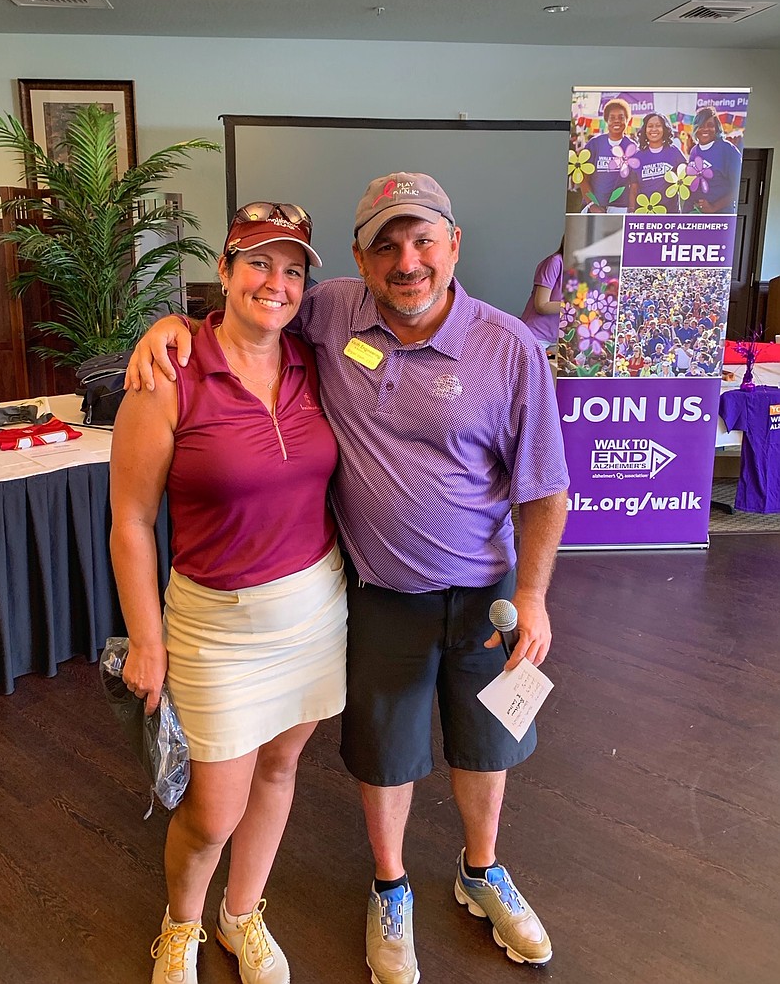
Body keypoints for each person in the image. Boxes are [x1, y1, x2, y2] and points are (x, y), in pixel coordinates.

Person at [129, 172, 569, 979]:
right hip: (376, 595)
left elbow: (545, 489)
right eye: (387, 245)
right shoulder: (330, 314)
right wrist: (167, 324)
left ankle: (482, 871)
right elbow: (243, 309)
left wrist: (534, 594)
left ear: (454, 244)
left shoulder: (508, 348)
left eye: (424, 239)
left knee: (486, 745)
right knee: (385, 751)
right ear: (362, 261)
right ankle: (389, 884)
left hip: (485, 598)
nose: (409, 261)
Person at [111, 202, 347, 984]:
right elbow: (131, 518)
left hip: (315, 609)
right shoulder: (170, 369)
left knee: (280, 768)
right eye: (258, 262)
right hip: (215, 625)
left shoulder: (317, 359)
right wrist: (147, 637)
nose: (275, 282)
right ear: (224, 268)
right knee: (213, 808)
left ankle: (241, 912)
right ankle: (181, 922)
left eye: (292, 269)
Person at [577, 97, 637, 213]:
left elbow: (634, 184)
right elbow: (583, 178)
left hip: (620, 207)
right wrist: (592, 205)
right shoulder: (594, 144)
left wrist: (631, 208)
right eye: (612, 118)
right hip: (594, 205)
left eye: (621, 117)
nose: (616, 121)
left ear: (627, 120)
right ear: (606, 120)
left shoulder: (632, 147)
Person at [686, 105, 742, 214]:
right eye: (701, 125)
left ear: (716, 128)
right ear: (696, 128)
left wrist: (714, 207)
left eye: (710, 125)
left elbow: (738, 187)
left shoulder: (728, 150)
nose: (705, 129)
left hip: (720, 216)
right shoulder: (694, 151)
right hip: (696, 215)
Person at [627, 112, 687, 213]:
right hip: (644, 213)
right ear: (645, 130)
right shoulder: (637, 156)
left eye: (658, 126)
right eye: (650, 126)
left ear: (664, 129)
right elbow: (633, 188)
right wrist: (631, 210)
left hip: (670, 214)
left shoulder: (674, 152)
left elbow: (686, 176)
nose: (654, 129)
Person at [519, 238, 564, 352]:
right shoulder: (555, 262)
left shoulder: (582, 270)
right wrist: (573, 306)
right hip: (537, 337)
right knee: (535, 367)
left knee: (554, 366)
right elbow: (542, 305)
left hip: (556, 339)